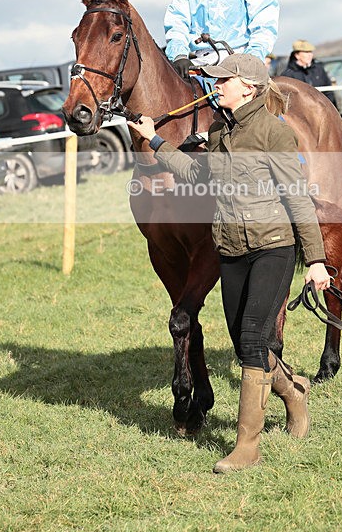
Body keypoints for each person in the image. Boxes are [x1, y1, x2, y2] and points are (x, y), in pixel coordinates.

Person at [129, 53, 330, 474]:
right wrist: (156, 140)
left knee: (255, 341)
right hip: (232, 249)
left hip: (273, 246)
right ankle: (293, 390)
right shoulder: (221, 131)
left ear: (249, 87)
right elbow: (199, 176)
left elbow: (296, 197)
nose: (215, 86)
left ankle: (246, 447)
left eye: (224, 81)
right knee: (243, 345)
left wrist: (315, 260)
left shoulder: (274, 134)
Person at [281, 39, 337, 107]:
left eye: (310, 52)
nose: (309, 55)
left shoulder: (319, 69)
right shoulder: (288, 74)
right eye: (306, 52)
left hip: (322, 109)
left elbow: (328, 90)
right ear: (297, 55)